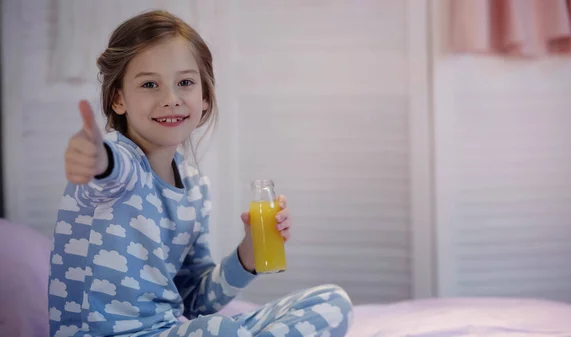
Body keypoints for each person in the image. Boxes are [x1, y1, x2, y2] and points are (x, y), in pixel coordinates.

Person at [47, 9, 353, 337]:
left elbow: (195, 299)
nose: (170, 98)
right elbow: (109, 169)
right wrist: (94, 158)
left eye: (185, 83)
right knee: (219, 331)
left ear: (204, 97)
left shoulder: (194, 188)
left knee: (332, 302)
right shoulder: (118, 161)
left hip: (169, 331)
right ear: (118, 99)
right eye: (150, 84)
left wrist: (249, 249)